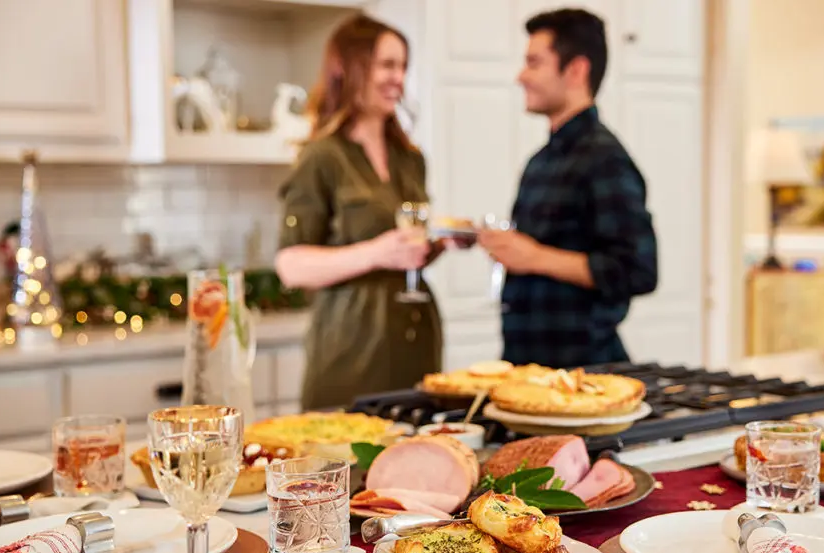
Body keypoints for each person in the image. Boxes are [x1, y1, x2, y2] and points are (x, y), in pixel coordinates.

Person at [275, 15, 443, 410]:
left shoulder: (410, 158)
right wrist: (378, 252)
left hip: (415, 339)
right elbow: (291, 265)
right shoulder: (322, 157)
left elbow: (405, 248)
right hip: (352, 346)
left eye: (403, 66)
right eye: (387, 65)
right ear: (350, 69)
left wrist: (433, 247)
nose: (398, 78)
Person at [478, 8, 658, 369]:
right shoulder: (540, 161)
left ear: (575, 70)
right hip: (527, 368)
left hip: (584, 375)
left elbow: (638, 270)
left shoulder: (605, 159)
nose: (521, 76)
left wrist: (533, 257)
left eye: (534, 63)